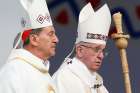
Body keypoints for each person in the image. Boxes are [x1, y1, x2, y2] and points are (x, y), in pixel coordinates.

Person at [0, 0, 59, 93]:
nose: (56, 39)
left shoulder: (43, 72)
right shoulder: (14, 70)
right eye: (50, 34)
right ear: (34, 40)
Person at [53, 3, 111, 93]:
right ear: (80, 50)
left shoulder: (99, 84)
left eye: (103, 50)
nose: (101, 56)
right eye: (96, 49)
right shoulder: (65, 78)